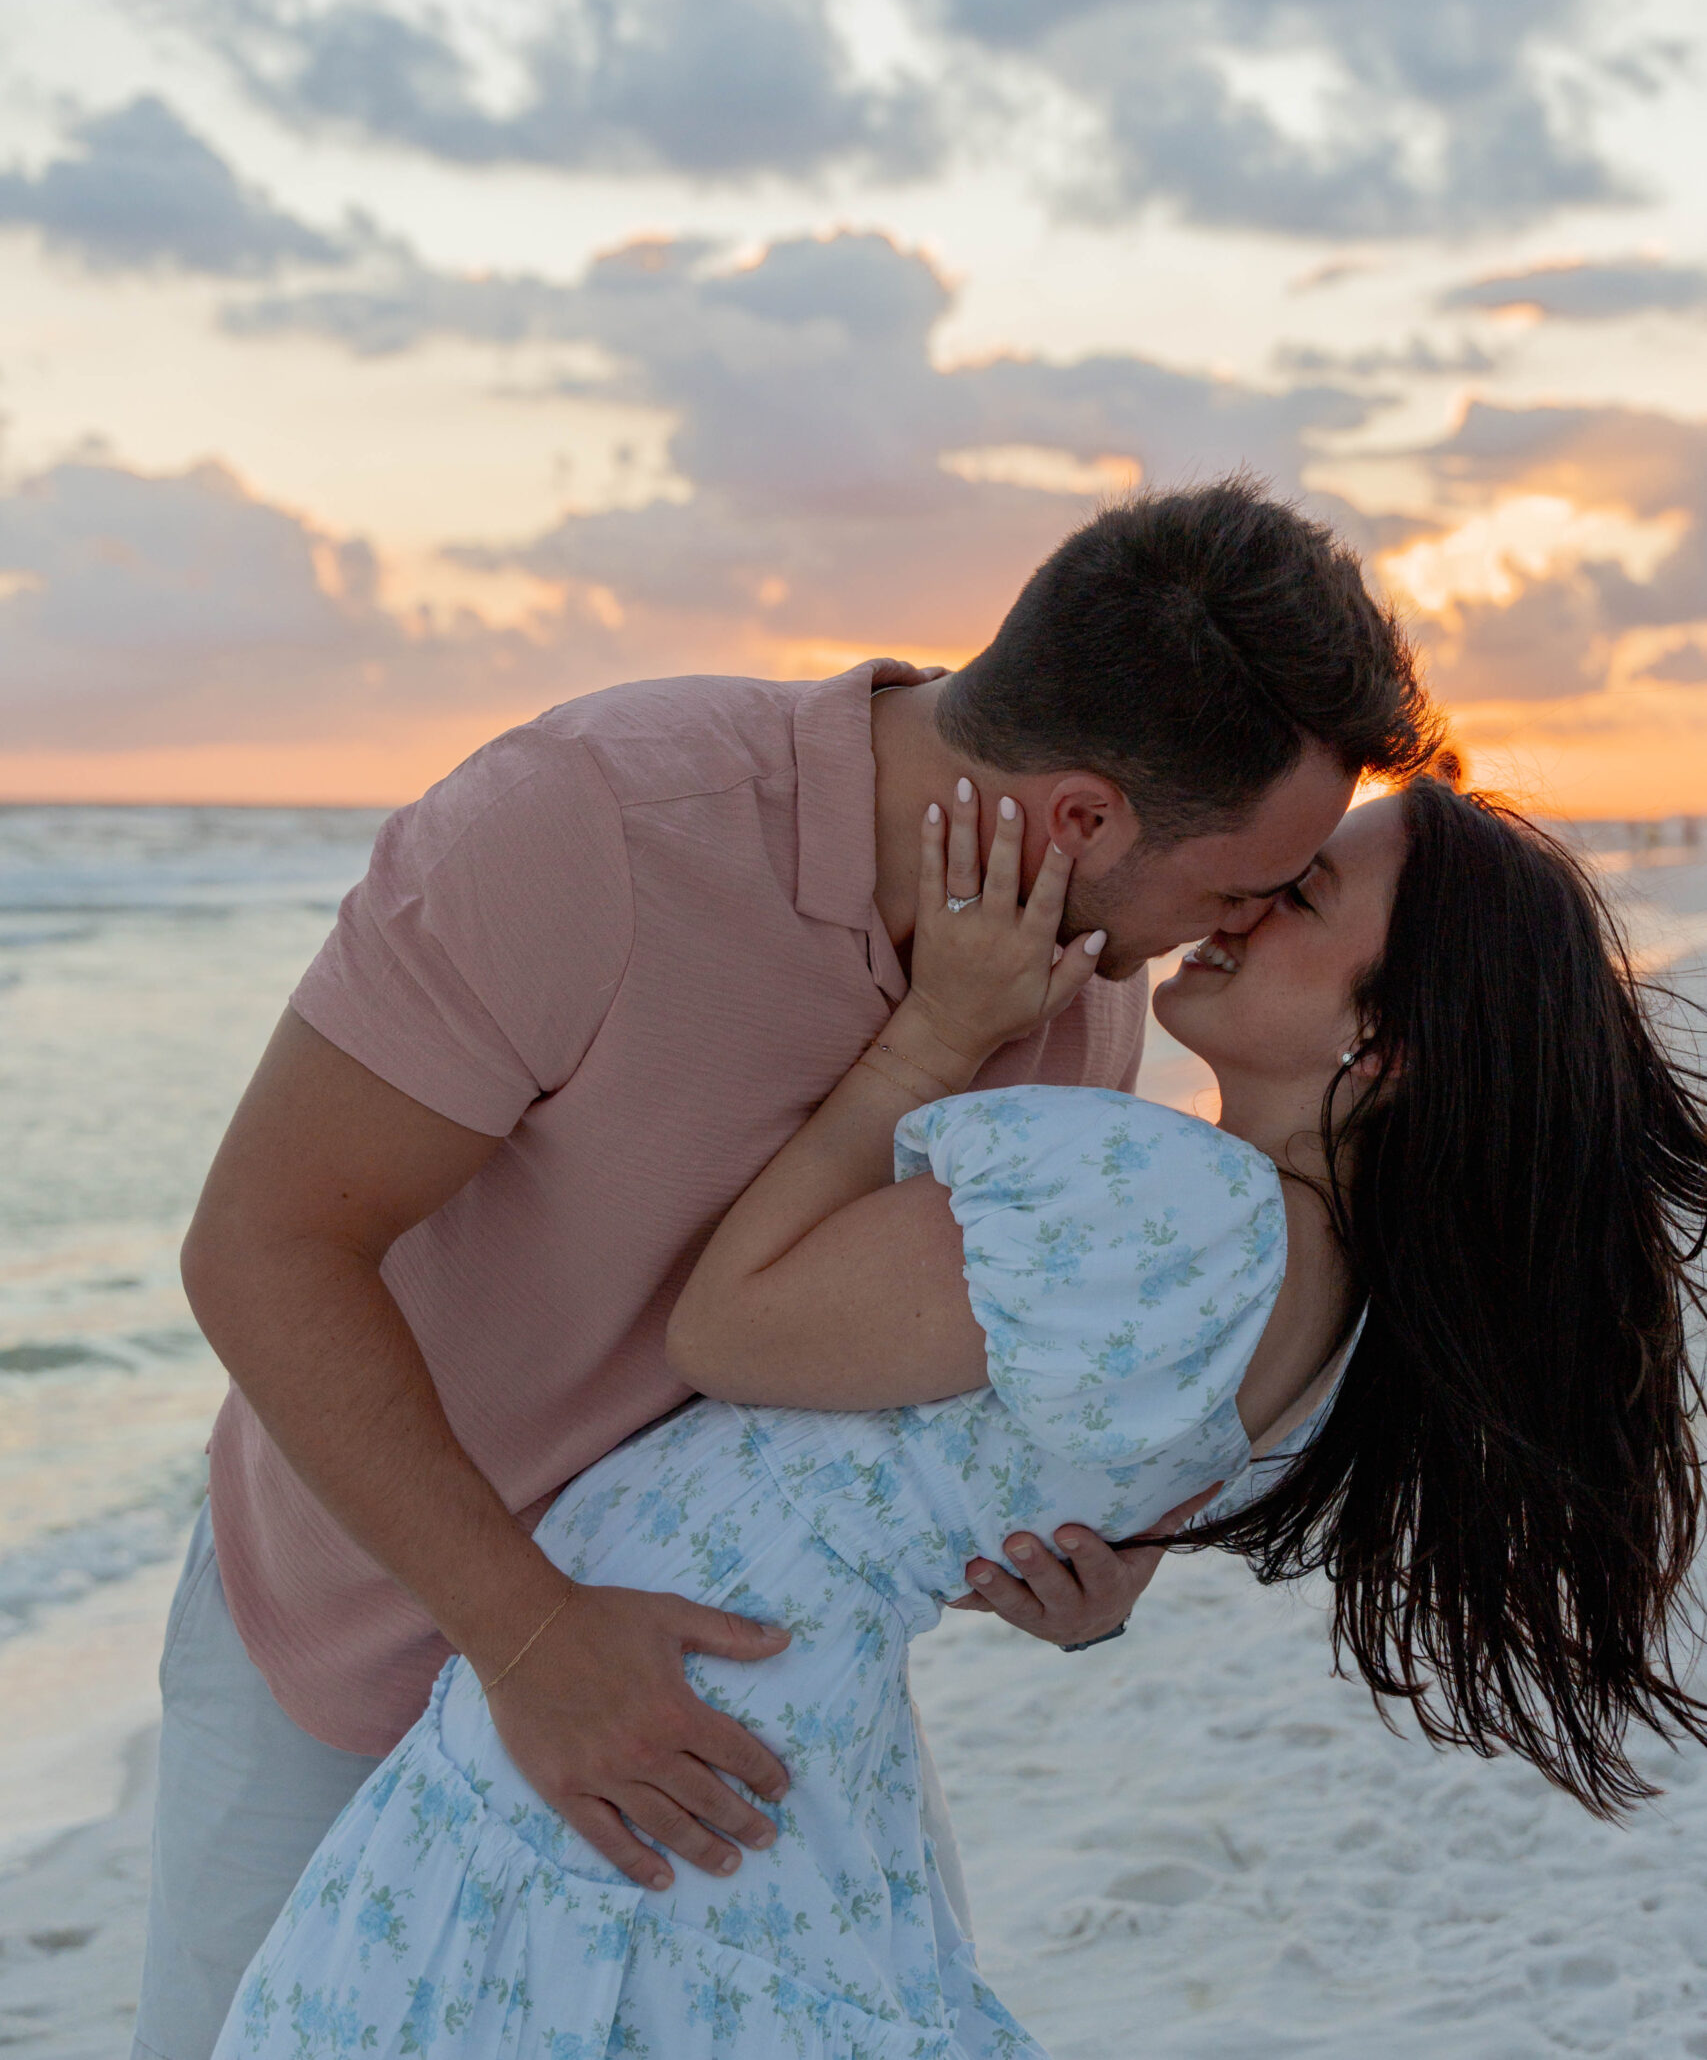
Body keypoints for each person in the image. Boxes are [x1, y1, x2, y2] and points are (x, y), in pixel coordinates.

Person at [138, 481, 1435, 2060]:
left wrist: (1090, 1562)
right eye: (1242, 885)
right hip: (359, 1621)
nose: (1232, 928)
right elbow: (262, 1246)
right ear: (1086, 816)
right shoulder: (596, 824)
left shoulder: (1084, 987)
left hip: (733, 1693)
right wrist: (531, 1637)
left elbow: (949, 1375)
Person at [209, 770, 1707, 2060]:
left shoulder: (1166, 1202)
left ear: (1386, 1047)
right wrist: (1090, 1587)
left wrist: (928, 1038)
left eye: (1298, 898)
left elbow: (729, 1328)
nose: (1240, 906)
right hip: (759, 1703)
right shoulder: (1340, 1310)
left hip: (667, 1686)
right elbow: (1072, 1496)